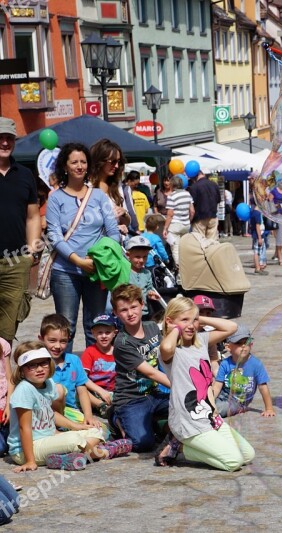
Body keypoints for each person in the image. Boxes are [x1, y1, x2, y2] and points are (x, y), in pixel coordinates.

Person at [156, 296, 254, 471]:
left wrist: (198, 318)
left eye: (193, 320)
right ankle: (180, 448)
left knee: (248, 455)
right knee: (233, 462)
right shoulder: (171, 349)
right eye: (184, 320)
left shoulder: (200, 340)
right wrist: (177, 328)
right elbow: (166, 348)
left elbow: (232, 327)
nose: (191, 325)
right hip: (188, 421)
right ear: (170, 321)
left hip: (209, 418)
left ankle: (189, 445)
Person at [47, 143, 120, 352]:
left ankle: (95, 372)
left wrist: (105, 257)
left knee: (96, 324)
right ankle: (64, 372)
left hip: (97, 269)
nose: (79, 166)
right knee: (65, 325)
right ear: (65, 166)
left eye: (83, 162)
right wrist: (77, 260)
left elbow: (112, 230)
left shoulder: (98, 196)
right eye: (74, 162)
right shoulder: (56, 198)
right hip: (65, 271)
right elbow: (54, 235)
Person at [7, 341, 124, 472]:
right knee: (74, 439)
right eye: (31, 366)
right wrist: (30, 461)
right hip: (26, 450)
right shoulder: (24, 390)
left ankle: (64, 458)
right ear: (22, 370)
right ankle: (102, 452)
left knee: (95, 430)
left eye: (43, 363)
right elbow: (24, 427)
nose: (39, 369)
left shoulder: (49, 383)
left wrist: (77, 426)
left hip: (48, 439)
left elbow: (51, 413)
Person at [110, 284, 170, 452]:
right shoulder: (122, 343)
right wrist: (179, 385)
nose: (130, 313)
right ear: (115, 313)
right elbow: (150, 372)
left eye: (134, 307)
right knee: (142, 444)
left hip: (154, 393)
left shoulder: (152, 327)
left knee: (189, 406)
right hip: (131, 399)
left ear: (142, 305)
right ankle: (116, 417)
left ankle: (154, 422)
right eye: (123, 310)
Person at [0, 118, 41, 347]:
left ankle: (3, 377)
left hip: (16, 261)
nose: (5, 142)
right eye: (0, 138)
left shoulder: (25, 175)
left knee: (9, 323)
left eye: (9, 138)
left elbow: (33, 216)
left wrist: (32, 251)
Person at [212, 324, 275, 418]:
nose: (243, 346)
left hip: (238, 402)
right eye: (238, 343)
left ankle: (212, 411)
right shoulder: (225, 363)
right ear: (228, 347)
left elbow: (263, 387)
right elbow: (217, 385)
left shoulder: (256, 364)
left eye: (246, 342)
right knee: (203, 403)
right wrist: (210, 401)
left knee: (220, 409)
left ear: (251, 344)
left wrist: (269, 408)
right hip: (222, 395)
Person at [89, 139, 136, 237]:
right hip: (95, 244)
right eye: (113, 161)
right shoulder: (87, 185)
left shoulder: (117, 185)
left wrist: (124, 214)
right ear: (100, 161)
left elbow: (127, 223)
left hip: (115, 244)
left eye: (119, 161)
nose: (117, 166)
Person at [80, 314, 117, 417]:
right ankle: (100, 406)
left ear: (115, 333)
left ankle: (111, 406)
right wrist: (100, 391)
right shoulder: (89, 352)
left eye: (108, 332)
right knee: (80, 389)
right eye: (100, 332)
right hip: (93, 390)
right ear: (93, 333)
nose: (104, 336)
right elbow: (83, 377)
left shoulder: (118, 352)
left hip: (113, 391)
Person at [163, 175, 194, 269]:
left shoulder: (172, 196)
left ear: (172, 185)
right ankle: (188, 267)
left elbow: (170, 214)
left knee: (176, 248)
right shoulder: (187, 194)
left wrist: (165, 228)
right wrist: (188, 221)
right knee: (184, 247)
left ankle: (180, 271)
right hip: (186, 225)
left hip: (175, 225)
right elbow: (192, 211)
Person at [126, 236, 159, 318]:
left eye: (145, 257)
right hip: (129, 313)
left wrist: (150, 293)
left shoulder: (147, 273)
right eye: (137, 257)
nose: (141, 260)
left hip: (144, 312)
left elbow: (149, 288)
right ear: (128, 255)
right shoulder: (124, 272)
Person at [193, 295, 221, 375]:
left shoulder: (208, 335)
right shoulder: (184, 333)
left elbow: (213, 361)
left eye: (208, 313)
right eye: (200, 312)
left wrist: (218, 378)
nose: (204, 316)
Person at [188, 171, 220, 241]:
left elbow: (192, 205)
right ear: (203, 174)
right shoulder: (214, 185)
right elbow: (218, 200)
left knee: (200, 242)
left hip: (199, 218)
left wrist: (190, 219)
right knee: (212, 242)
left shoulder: (194, 187)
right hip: (213, 216)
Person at [249, 203, 268, 275]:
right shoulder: (257, 214)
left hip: (259, 235)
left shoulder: (255, 212)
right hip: (258, 236)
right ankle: (257, 268)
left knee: (259, 251)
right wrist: (259, 237)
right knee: (256, 252)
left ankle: (259, 266)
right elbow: (257, 226)